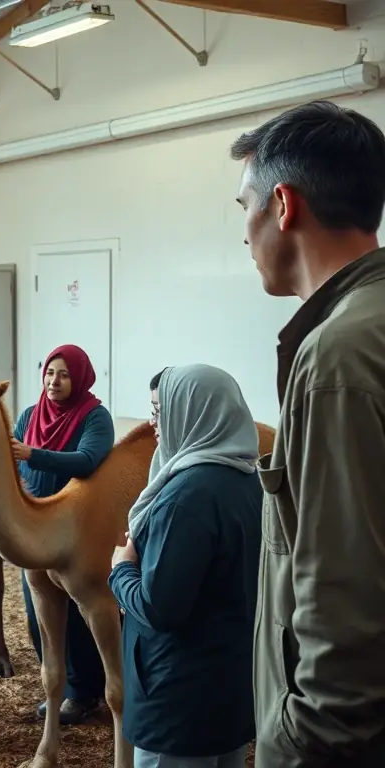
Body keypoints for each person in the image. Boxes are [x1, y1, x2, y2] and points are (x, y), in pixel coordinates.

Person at [231, 100, 385, 766]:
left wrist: (295, 744)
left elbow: (343, 599)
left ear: (284, 206)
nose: (243, 231)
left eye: (246, 206)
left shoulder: (338, 359)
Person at [110, 364, 261, 768]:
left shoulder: (186, 497)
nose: (151, 422)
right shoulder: (249, 481)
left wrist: (121, 571)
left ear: (194, 410)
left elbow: (160, 608)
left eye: (160, 409)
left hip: (178, 700)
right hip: (228, 686)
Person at [9, 344, 115, 724]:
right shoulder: (29, 415)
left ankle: (86, 692)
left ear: (80, 377)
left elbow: (88, 461)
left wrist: (32, 454)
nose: (54, 381)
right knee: (39, 613)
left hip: (77, 532)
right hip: (35, 529)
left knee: (79, 612)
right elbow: (13, 465)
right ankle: (62, 687)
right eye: (50, 372)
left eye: (64, 374)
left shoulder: (94, 417)